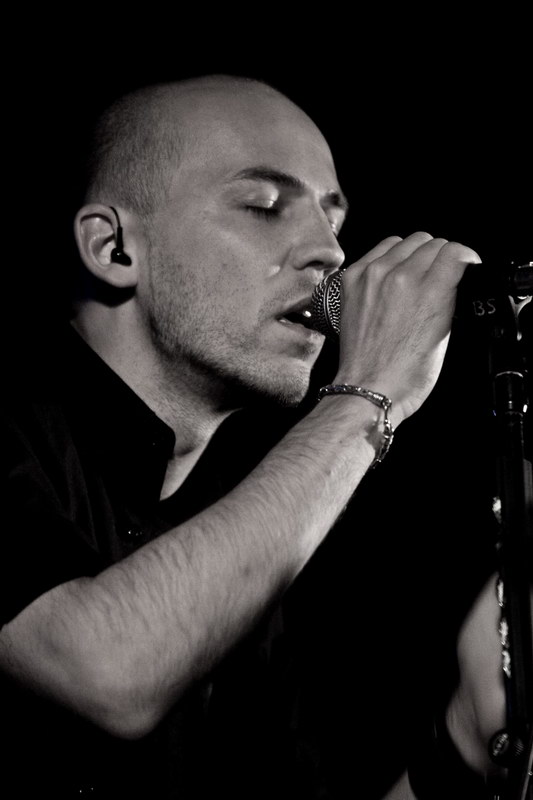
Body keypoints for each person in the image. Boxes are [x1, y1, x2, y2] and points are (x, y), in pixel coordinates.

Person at [1, 74, 511, 798]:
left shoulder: (236, 531)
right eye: (264, 206)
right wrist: (369, 394)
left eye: (333, 219)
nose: (330, 255)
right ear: (113, 248)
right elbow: (102, 667)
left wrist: (463, 740)